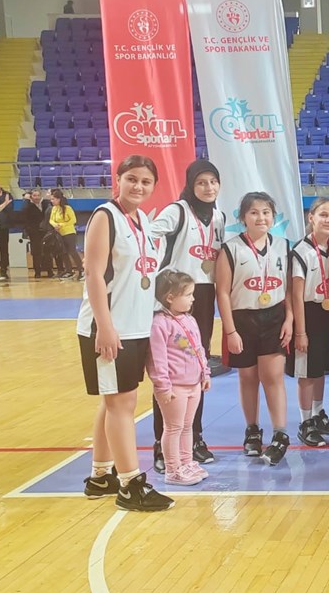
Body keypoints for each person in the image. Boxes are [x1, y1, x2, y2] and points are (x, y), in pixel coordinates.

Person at [79, 155, 173, 511]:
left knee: (113, 401)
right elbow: (93, 274)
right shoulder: (105, 216)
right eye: (131, 178)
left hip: (135, 326)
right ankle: (131, 485)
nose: (138, 186)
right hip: (109, 327)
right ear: (117, 179)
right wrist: (105, 326)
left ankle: (101, 476)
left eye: (146, 181)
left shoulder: (143, 220)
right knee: (122, 403)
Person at [150, 160, 226, 471]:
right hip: (174, 297)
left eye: (213, 181)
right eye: (202, 182)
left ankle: (194, 437)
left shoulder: (219, 216)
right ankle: (161, 444)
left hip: (203, 295)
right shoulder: (177, 211)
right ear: (191, 185)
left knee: (197, 366)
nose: (209, 187)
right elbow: (147, 235)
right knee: (168, 371)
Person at [215, 192, 293, 467]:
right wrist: (230, 331)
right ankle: (252, 429)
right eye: (254, 212)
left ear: (273, 216)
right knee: (248, 377)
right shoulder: (231, 249)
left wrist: (289, 319)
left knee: (273, 377)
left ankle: (280, 433)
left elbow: (290, 288)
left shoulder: (283, 246)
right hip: (242, 319)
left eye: (266, 212)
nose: (261, 217)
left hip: (274, 317)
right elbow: (222, 293)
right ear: (243, 217)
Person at [147, 270, 211, 485]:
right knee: (173, 427)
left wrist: (205, 372)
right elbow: (157, 359)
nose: (193, 299)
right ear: (170, 297)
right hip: (174, 387)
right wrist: (163, 386)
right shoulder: (159, 323)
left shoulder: (189, 319)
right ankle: (173, 469)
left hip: (193, 384)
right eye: (188, 294)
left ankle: (186, 462)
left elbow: (199, 348)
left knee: (187, 426)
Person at [287, 197, 329, 447]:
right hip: (307, 313)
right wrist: (300, 332)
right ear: (311, 218)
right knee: (306, 373)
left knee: (320, 369)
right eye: (323, 215)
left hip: (327, 312)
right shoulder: (301, 251)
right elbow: (296, 296)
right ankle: (305, 422)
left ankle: (318, 414)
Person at [49, 188, 83, 280]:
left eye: (53, 199)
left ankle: (81, 270)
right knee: (63, 253)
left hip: (69, 233)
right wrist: (54, 225)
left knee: (72, 251)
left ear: (58, 199)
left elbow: (73, 220)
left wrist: (61, 225)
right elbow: (51, 220)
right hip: (59, 234)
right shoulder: (54, 209)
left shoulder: (68, 208)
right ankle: (68, 271)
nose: (52, 201)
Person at [21, 189, 55, 278]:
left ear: (41, 196)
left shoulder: (46, 204)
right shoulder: (28, 206)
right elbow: (24, 217)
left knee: (47, 252)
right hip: (34, 233)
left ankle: (50, 271)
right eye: (34, 195)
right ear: (31, 197)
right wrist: (26, 201)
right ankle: (37, 272)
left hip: (46, 232)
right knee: (36, 253)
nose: (36, 197)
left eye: (38, 195)